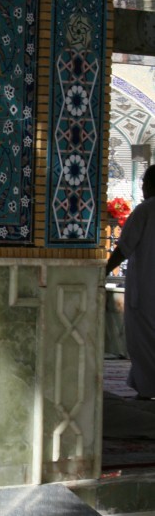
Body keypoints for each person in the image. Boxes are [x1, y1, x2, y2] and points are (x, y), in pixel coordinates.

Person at [106, 164, 155, 400]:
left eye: (145, 184)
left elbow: (124, 248)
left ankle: (147, 391)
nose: (143, 188)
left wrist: (102, 271)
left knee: (143, 341)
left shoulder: (145, 211)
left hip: (146, 292)